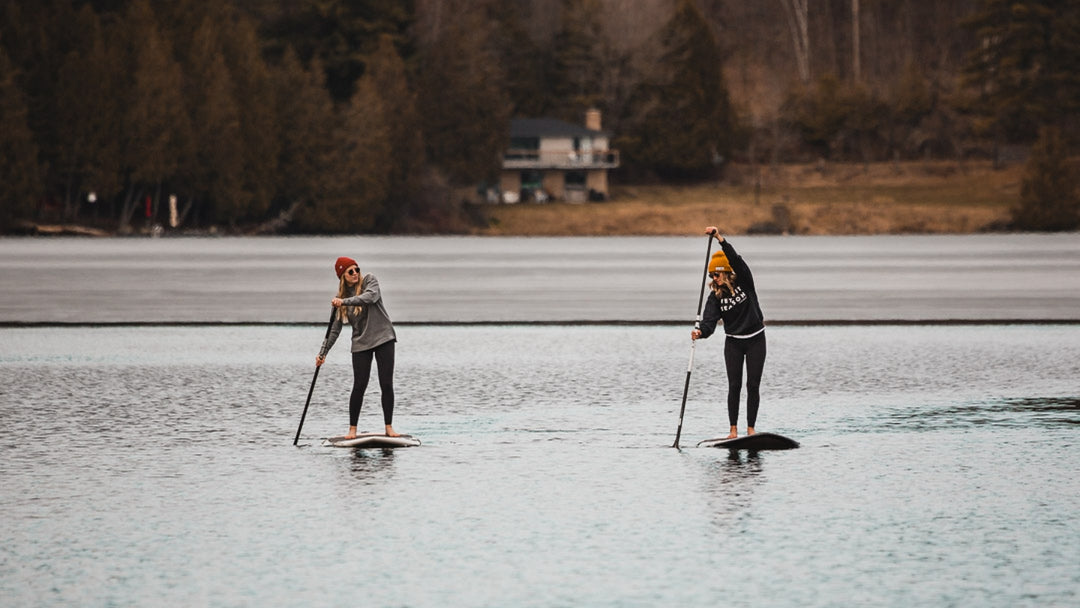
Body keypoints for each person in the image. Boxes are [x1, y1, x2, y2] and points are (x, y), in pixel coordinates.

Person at [690, 227, 767, 439]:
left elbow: (736, 260)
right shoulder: (714, 298)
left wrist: (719, 238)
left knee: (753, 385)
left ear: (725, 271)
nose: (713, 278)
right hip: (733, 343)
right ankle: (733, 431)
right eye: (711, 275)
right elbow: (709, 323)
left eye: (716, 274)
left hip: (756, 339)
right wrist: (700, 332)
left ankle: (751, 430)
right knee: (734, 385)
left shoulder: (744, 281)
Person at [316, 256, 401, 438]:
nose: (355, 273)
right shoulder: (340, 300)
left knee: (386, 383)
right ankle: (352, 430)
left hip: (384, 337)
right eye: (350, 271)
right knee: (359, 385)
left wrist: (344, 302)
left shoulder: (370, 280)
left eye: (357, 269)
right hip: (361, 343)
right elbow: (334, 330)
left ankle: (389, 427)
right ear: (343, 277)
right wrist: (322, 353)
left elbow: (370, 298)